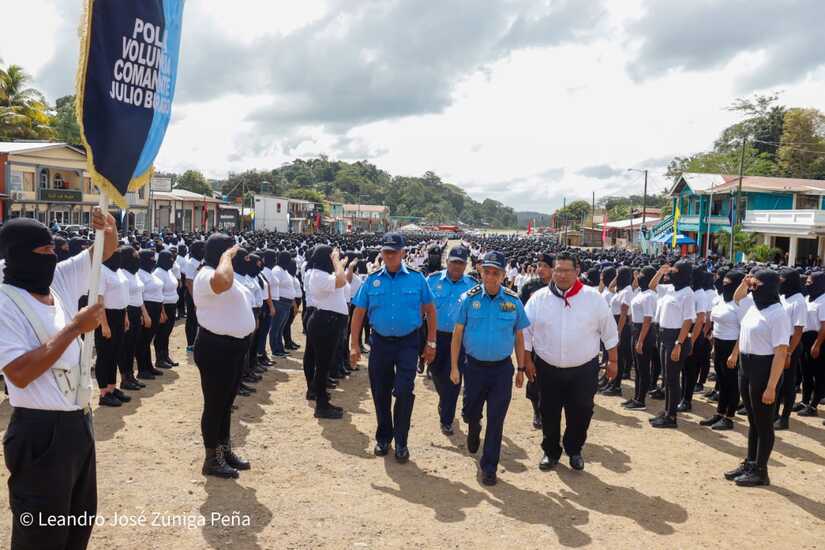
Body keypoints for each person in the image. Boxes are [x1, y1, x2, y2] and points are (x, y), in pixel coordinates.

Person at [0, 209, 117, 550]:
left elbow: (102, 252)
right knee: (41, 534)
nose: (52, 257)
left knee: (77, 523)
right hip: (40, 432)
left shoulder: (57, 282)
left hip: (77, 423)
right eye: (43, 252)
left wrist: (108, 228)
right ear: (16, 256)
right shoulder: (5, 303)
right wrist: (74, 329)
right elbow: (19, 374)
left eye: (53, 250)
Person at [523, 251, 618, 472]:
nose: (561, 275)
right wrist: (527, 360)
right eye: (557, 270)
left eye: (567, 271)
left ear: (577, 272)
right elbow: (525, 331)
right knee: (549, 411)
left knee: (582, 410)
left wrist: (613, 360)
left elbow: (609, 332)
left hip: (583, 368)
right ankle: (551, 451)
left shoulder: (593, 298)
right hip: (547, 366)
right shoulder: (539, 298)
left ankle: (574, 449)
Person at [350, 232, 437, 463]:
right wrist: (354, 344)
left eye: (394, 252)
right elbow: (358, 313)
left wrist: (431, 342)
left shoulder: (417, 279)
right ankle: (383, 437)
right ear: (382, 253)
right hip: (380, 343)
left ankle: (401, 440)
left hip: (408, 343)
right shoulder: (372, 280)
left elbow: (430, 310)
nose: (389, 255)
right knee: (380, 391)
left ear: (402, 253)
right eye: (386, 251)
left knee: (404, 391)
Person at [452, 250, 529, 485]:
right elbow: (457, 334)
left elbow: (519, 337)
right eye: (487, 272)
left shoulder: (513, 301)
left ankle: (489, 466)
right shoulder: (468, 299)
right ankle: (473, 427)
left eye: (496, 273)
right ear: (481, 272)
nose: (491, 277)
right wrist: (454, 367)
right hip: (474, 368)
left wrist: (521, 368)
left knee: (496, 420)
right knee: (469, 412)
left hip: (501, 371)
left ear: (504, 275)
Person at [192, 234, 256, 478]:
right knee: (214, 405)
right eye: (233, 252)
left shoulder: (224, 273)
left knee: (226, 405)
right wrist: (226, 257)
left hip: (233, 349)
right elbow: (222, 282)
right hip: (215, 348)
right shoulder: (205, 275)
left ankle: (224, 450)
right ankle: (212, 459)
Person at [724, 270, 790, 487]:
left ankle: (761, 471)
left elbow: (781, 352)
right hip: (747, 365)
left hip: (764, 369)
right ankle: (751, 463)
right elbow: (737, 297)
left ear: (769, 287)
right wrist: (746, 282)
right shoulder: (754, 305)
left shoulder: (777, 313)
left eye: (757, 284)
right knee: (752, 420)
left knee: (764, 423)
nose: (753, 288)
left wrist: (771, 386)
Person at [426, 245, 476, 435]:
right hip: (435, 336)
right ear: (447, 262)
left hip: (460, 339)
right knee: (438, 374)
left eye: (461, 264)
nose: (457, 267)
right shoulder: (431, 281)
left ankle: (447, 418)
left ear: (465, 266)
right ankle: (444, 402)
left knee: (454, 378)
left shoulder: (472, 286)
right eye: (454, 262)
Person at [304, 246, 350, 418]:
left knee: (324, 364)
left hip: (328, 321)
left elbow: (340, 279)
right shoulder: (318, 275)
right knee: (322, 365)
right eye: (330, 257)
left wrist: (339, 263)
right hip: (325, 322)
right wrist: (337, 261)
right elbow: (340, 281)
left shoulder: (322, 274)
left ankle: (321, 397)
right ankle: (321, 405)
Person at [648, 261, 695, 428]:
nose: (671, 273)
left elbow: (688, 320)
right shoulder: (670, 288)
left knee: (673, 379)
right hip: (664, 336)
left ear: (683, 273)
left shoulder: (687, 293)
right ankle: (667, 411)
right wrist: (661, 272)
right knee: (667, 379)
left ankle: (672, 416)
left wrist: (678, 343)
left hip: (676, 338)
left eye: (675, 271)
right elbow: (652, 285)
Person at [702, 270, 747, 430]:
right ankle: (719, 413)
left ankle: (729, 417)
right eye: (724, 283)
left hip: (732, 345)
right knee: (721, 381)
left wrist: (735, 353)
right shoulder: (720, 299)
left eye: (728, 284)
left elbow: (744, 330)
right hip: (719, 343)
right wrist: (713, 344)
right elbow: (716, 323)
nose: (724, 286)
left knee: (732, 382)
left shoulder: (742, 302)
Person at [519, 253, 553, 429]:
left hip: (553, 342)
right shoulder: (529, 287)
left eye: (545, 266)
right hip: (533, 341)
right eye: (539, 265)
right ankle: (537, 411)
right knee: (534, 379)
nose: (540, 269)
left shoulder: (560, 288)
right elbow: (521, 316)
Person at [94, 246, 131, 407]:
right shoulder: (101, 271)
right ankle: (103, 393)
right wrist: (104, 325)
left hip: (119, 314)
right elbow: (99, 299)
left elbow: (123, 295)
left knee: (115, 354)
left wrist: (125, 316)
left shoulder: (118, 271)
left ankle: (112, 387)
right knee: (104, 356)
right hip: (107, 316)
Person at [775, 267, 806, 429]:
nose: (780, 283)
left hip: (790, 344)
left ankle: (785, 417)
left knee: (788, 382)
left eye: (782, 280)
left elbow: (798, 330)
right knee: (777, 380)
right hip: (779, 342)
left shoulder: (799, 300)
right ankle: (775, 414)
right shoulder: (783, 296)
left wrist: (789, 353)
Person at [626, 266, 657, 410]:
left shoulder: (650, 295)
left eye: (643, 275)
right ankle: (636, 396)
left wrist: (640, 340)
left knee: (643, 368)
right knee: (637, 368)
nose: (639, 277)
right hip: (636, 329)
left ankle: (641, 400)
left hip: (644, 332)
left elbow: (648, 319)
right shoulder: (640, 292)